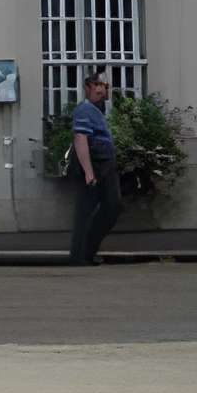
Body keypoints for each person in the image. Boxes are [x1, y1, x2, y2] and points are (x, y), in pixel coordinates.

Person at [67, 70, 124, 264]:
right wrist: (89, 172)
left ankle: (85, 253)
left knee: (112, 206)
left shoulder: (98, 111)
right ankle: (80, 256)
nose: (102, 90)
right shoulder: (84, 109)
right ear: (88, 88)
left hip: (105, 165)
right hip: (95, 165)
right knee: (87, 211)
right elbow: (80, 139)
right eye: (98, 85)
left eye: (105, 86)